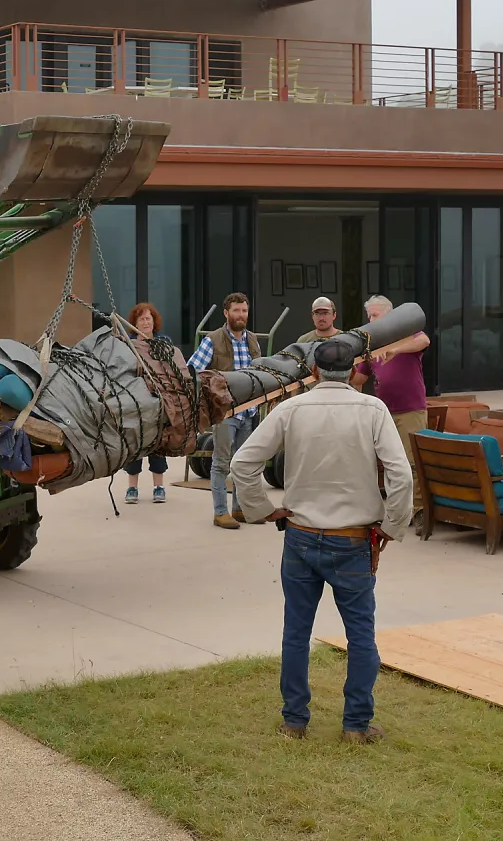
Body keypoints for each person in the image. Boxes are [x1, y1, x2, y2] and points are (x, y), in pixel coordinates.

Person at [232, 338, 413, 744]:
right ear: (353, 372)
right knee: (360, 635)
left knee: (296, 631)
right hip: (353, 539)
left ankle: (294, 721)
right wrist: (393, 524)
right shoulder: (373, 409)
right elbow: (401, 475)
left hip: (300, 535)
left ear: (314, 371)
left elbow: (243, 462)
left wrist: (262, 510)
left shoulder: (291, 408)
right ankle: (356, 726)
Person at [187, 292, 259, 529]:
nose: (241, 315)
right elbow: (192, 370)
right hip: (225, 413)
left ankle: (239, 509)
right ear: (226, 313)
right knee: (221, 463)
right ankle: (220, 512)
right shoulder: (212, 340)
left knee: (243, 463)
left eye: (244, 311)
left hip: (249, 411)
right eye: (236, 310)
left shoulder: (252, 340)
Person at [355, 294, 431, 484]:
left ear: (389, 316)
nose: (371, 320)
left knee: (412, 464)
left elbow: (424, 341)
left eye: (375, 315)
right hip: (383, 413)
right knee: (390, 463)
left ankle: (417, 503)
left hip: (409, 410)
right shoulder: (371, 345)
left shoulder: (405, 333)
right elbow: (360, 378)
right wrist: (343, 367)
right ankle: (396, 500)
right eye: (369, 316)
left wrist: (395, 350)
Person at [122, 302, 177, 504]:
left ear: (154, 322)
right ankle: (132, 488)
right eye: (141, 319)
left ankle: (158, 487)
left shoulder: (163, 341)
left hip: (158, 400)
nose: (145, 322)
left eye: (148, 319)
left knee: (158, 442)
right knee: (134, 443)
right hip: (135, 400)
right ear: (135, 323)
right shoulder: (127, 343)